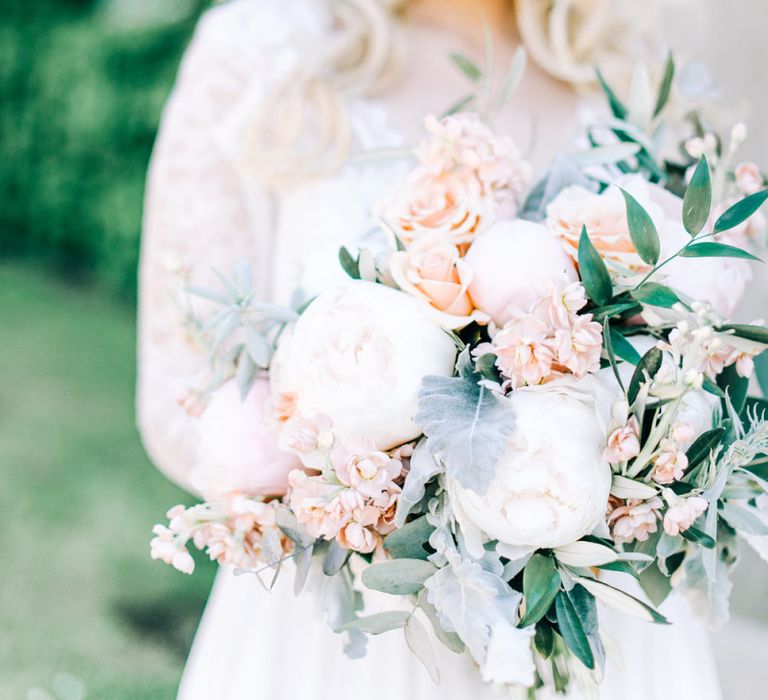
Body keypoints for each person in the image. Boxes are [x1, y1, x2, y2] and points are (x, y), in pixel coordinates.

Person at [138, 1, 722, 697]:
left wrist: (635, 469)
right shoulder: (263, 50)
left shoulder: (632, 82)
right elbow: (183, 385)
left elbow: (699, 363)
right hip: (343, 636)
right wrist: (381, 503)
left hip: (601, 633)